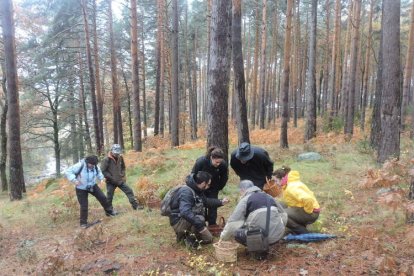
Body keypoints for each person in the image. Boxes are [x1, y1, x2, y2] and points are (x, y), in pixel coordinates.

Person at [220, 180, 287, 257]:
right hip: (276, 237)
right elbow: (284, 215)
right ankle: (268, 244)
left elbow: (233, 224)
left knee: (237, 233)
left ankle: (257, 252)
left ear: (242, 190)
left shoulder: (245, 200)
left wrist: (223, 237)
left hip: (260, 238)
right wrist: (279, 227)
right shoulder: (269, 196)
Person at [169, 171, 229, 248]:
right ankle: (188, 240)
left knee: (208, 239)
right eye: (208, 184)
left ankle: (185, 236)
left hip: (184, 220)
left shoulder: (197, 189)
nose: (208, 186)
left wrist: (221, 202)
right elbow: (185, 212)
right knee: (200, 219)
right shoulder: (186, 192)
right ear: (203, 183)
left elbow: (206, 201)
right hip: (178, 221)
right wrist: (201, 226)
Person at [65, 155, 117, 228]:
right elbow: (68, 171)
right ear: (87, 162)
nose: (92, 166)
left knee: (103, 197)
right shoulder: (80, 165)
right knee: (84, 205)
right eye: (91, 164)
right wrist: (74, 180)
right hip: (81, 188)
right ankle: (83, 223)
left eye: (94, 165)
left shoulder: (95, 166)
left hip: (92, 185)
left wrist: (101, 179)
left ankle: (109, 212)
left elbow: (99, 172)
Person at [272, 166, 320, 234]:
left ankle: (303, 232)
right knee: (280, 205)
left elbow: (308, 199)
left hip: (312, 213)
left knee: (281, 215)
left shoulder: (291, 187)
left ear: (282, 179)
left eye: (276, 181)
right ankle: (300, 223)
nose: (275, 183)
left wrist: (307, 212)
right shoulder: (289, 183)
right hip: (307, 209)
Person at [191, 146, 228, 226]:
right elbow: (193, 174)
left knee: (213, 206)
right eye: (216, 162)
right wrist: (197, 187)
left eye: (220, 162)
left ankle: (212, 224)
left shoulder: (223, 165)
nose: (218, 164)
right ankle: (201, 224)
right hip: (200, 186)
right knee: (201, 204)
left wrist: (219, 187)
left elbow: (224, 177)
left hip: (214, 186)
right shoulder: (201, 161)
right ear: (211, 157)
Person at [100, 144, 143, 211]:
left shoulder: (120, 157)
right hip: (110, 181)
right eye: (115, 153)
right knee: (109, 196)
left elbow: (123, 167)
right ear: (112, 151)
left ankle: (135, 206)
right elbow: (103, 171)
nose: (117, 154)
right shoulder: (106, 159)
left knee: (129, 190)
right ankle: (109, 211)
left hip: (120, 180)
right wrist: (111, 178)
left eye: (118, 153)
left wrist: (122, 174)